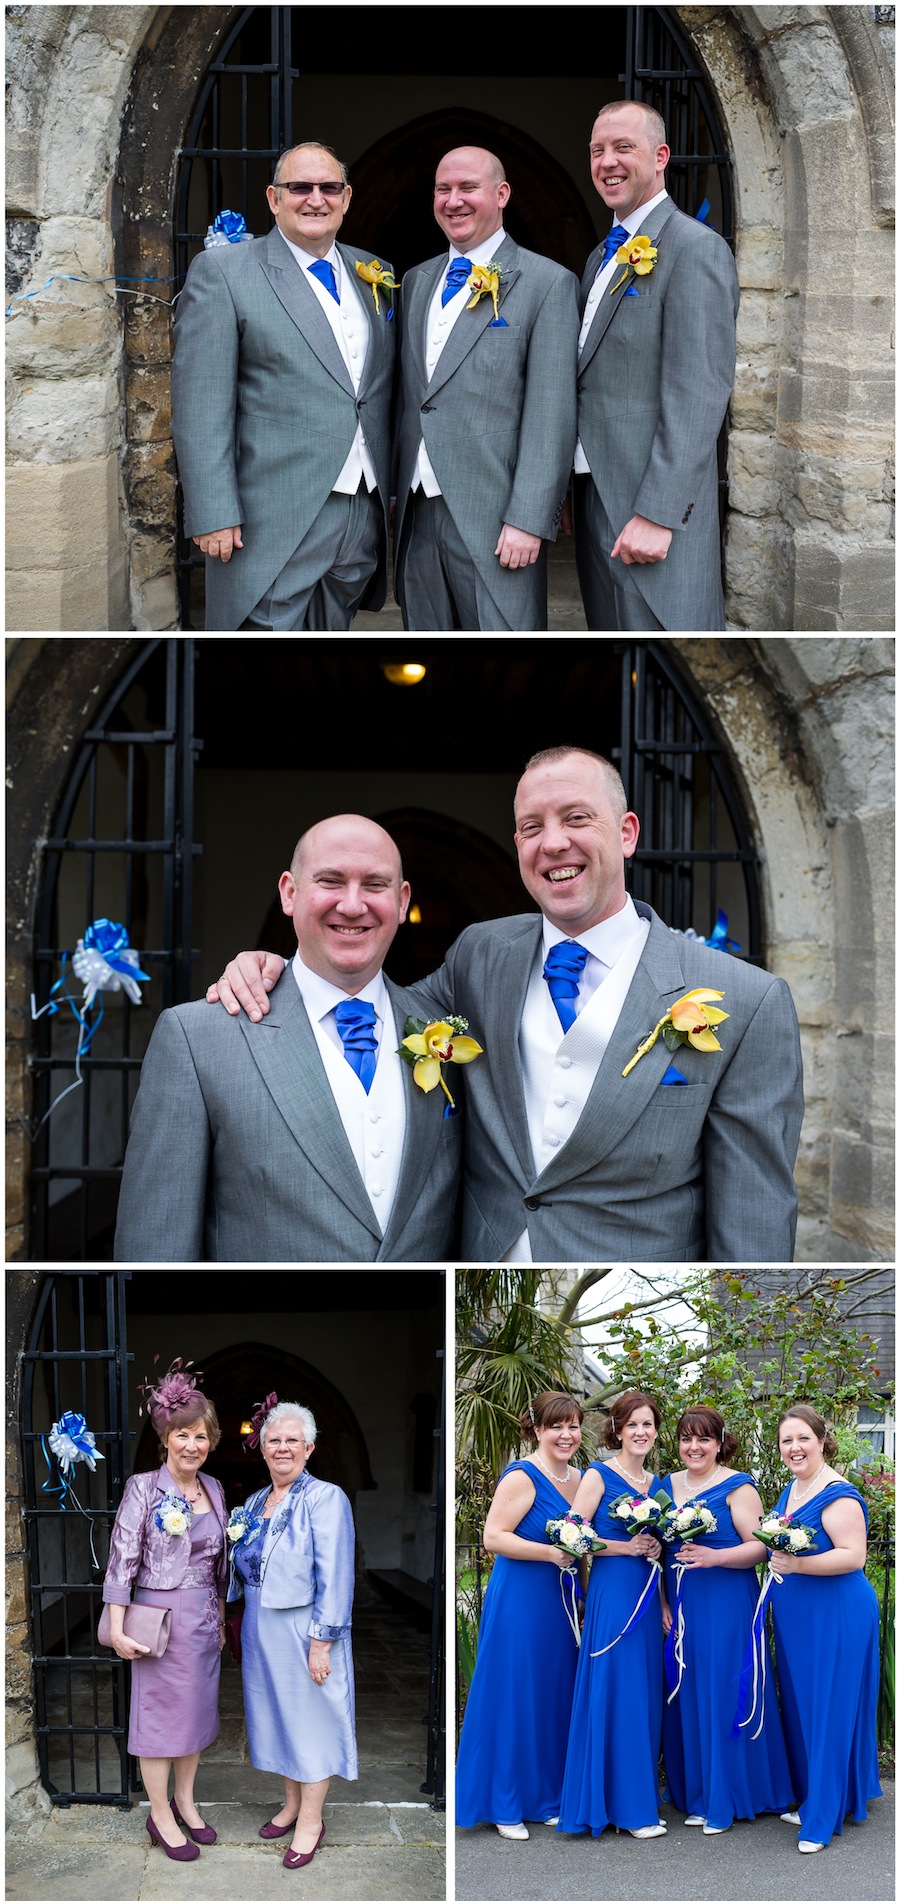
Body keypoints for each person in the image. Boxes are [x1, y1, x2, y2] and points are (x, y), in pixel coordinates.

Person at [210, 746, 803, 1262]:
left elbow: (752, 1224)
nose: (553, 843)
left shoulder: (748, 1003)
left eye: (576, 819)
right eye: (529, 827)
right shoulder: (481, 954)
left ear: (626, 833)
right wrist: (281, 970)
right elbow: (377, 1010)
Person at [113, 814, 462, 1260]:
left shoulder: (445, 1030)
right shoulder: (196, 1039)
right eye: (331, 881)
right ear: (290, 893)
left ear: (401, 900)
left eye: (375, 884)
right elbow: (154, 1248)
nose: (353, 905)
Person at [171, 141, 395, 631]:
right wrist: (211, 511)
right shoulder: (224, 272)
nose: (316, 198)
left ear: (347, 198)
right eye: (300, 187)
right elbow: (200, 403)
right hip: (270, 516)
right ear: (274, 199)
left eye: (329, 187)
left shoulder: (374, 273)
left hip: (362, 510)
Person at [393, 146, 579, 631]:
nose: (453, 201)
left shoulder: (547, 283)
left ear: (501, 194)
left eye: (468, 188)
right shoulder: (415, 281)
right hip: (416, 512)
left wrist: (529, 518)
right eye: (443, 189)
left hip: (496, 517)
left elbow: (551, 412)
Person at [573, 101, 739, 631]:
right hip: (595, 492)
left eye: (624, 147)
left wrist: (657, 515)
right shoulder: (600, 256)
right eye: (598, 150)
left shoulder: (695, 249)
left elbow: (699, 391)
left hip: (652, 512)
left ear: (661, 156)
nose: (608, 162)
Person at [101, 1360, 228, 1862]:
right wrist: (117, 1630)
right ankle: (159, 1815)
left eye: (200, 1435)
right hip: (156, 1618)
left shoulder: (215, 1488)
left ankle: (185, 1801)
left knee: (195, 1716)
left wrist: (218, 1619)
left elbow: (219, 1562)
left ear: (210, 1439)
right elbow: (121, 1561)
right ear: (166, 1438)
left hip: (202, 1620)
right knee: (158, 1722)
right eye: (183, 1435)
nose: (192, 1445)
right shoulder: (142, 1488)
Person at [228, 1397, 356, 1870]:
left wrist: (322, 1641)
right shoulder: (254, 1502)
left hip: (304, 1627)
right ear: (262, 1449)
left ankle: (311, 1821)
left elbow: (337, 1574)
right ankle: (291, 1805)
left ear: (309, 1447)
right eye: (273, 1441)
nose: (282, 1448)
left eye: (291, 1441)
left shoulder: (326, 1497)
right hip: (263, 1624)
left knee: (311, 1722)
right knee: (278, 1716)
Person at [659, 1405, 794, 1834]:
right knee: (690, 1691)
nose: (693, 1447)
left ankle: (728, 1795)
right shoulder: (665, 1486)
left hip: (727, 1602)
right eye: (686, 1438)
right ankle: (697, 1792)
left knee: (722, 1691)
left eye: (703, 1439)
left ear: (719, 1443)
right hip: (682, 1601)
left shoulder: (738, 1487)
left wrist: (715, 1556)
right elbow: (658, 1550)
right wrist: (663, 1601)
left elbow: (761, 1548)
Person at [455, 1393, 585, 1838]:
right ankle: (505, 1804)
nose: (566, 1435)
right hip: (521, 1599)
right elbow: (493, 1537)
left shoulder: (581, 1478)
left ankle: (545, 1797)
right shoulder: (522, 1476)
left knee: (551, 1696)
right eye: (556, 1426)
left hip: (561, 1601)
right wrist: (551, 1553)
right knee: (514, 1695)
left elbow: (582, 1543)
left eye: (573, 1426)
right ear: (536, 1429)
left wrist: (583, 1589)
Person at [768, 1404, 882, 1853]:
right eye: (786, 1441)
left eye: (802, 1439)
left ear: (821, 1440)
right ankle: (821, 1792)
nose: (794, 1448)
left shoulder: (838, 1493)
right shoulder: (794, 1488)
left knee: (829, 1707)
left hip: (836, 1612)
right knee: (804, 1707)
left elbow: (853, 1556)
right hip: (800, 1615)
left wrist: (795, 1563)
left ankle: (822, 1817)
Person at [557, 1391, 666, 1839]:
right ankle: (623, 1810)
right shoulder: (598, 1475)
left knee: (642, 1695)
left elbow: (659, 1549)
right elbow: (570, 1535)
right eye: (632, 1424)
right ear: (617, 1429)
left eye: (648, 1424)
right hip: (612, 1591)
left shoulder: (659, 1484)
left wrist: (660, 1587)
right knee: (615, 1691)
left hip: (646, 1592)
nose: (640, 1432)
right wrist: (624, 1546)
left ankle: (637, 1799)